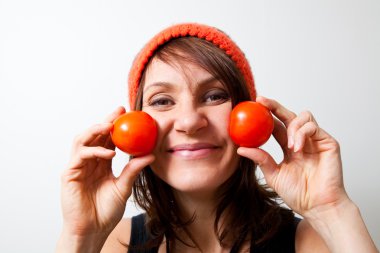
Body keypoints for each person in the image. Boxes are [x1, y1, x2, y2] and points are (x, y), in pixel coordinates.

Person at [56, 23, 378, 253]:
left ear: (250, 115)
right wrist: (82, 235)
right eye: (162, 101)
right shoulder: (115, 244)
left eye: (214, 96)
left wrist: (332, 210)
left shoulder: (310, 242)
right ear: (133, 126)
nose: (190, 122)